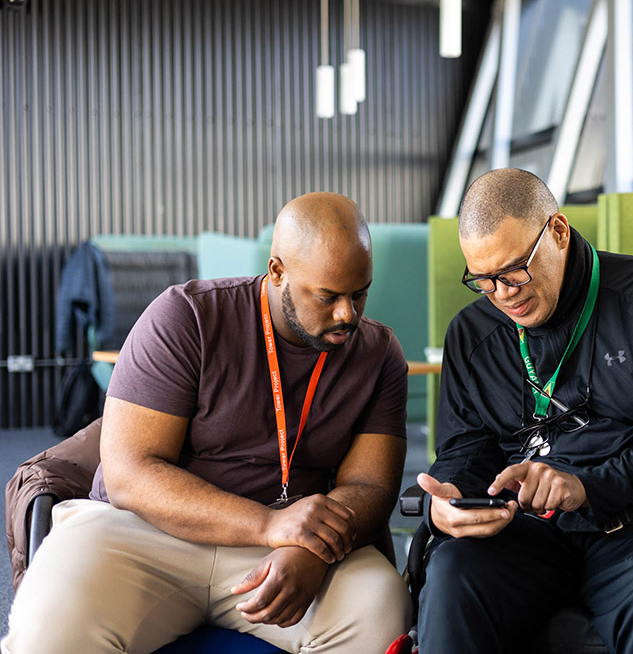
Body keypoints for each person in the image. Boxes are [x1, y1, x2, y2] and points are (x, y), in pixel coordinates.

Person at [2, 193, 412, 654]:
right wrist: (266, 524)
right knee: (46, 633)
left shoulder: (378, 354)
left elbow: (371, 486)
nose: (347, 315)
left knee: (380, 610)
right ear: (277, 272)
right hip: (143, 533)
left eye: (360, 294)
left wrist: (310, 549)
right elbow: (128, 473)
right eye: (328, 296)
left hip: (286, 548)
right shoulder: (188, 316)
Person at [416, 169, 633, 653]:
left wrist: (587, 485)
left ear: (559, 232)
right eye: (483, 279)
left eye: (513, 270)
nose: (503, 292)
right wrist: (449, 498)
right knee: (451, 572)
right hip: (532, 530)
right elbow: (468, 449)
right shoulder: (472, 333)